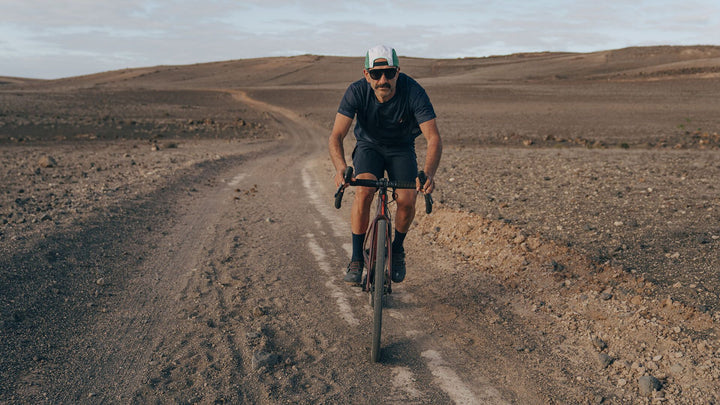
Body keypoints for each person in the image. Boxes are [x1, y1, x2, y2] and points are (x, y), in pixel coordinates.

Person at [329, 44, 442, 284]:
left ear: (398, 72)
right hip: (369, 146)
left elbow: (433, 138)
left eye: (389, 73)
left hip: (401, 148)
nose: (383, 80)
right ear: (366, 74)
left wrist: (429, 174)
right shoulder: (356, 91)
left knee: (408, 198)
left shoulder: (414, 92)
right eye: (376, 74)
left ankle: (397, 249)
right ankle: (357, 257)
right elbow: (336, 136)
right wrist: (340, 169)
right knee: (364, 190)